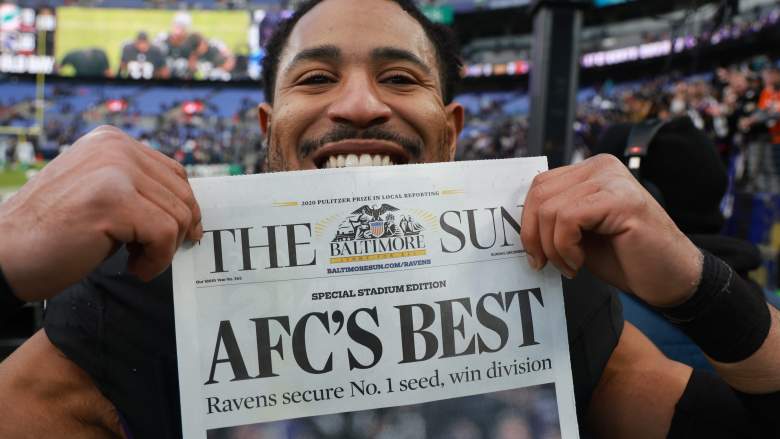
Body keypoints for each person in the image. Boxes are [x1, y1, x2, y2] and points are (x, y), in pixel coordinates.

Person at [1, 1, 778, 438]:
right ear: (269, 127)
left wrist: (698, 287)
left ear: (453, 130)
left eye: (400, 77)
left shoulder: (549, 286)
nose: (361, 103)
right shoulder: (139, 300)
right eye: (317, 76)